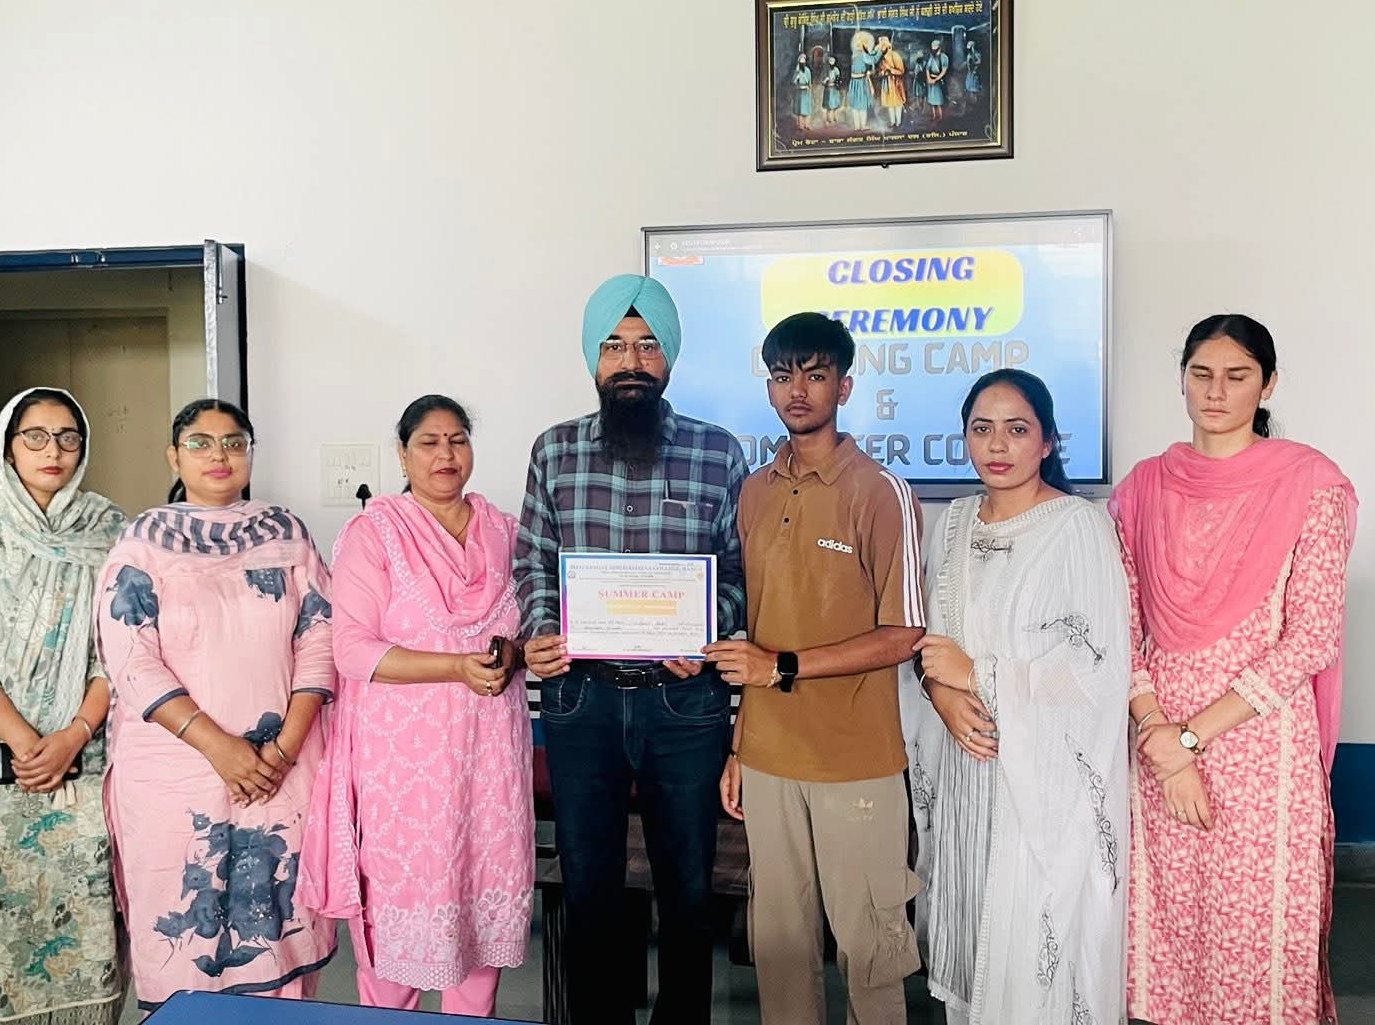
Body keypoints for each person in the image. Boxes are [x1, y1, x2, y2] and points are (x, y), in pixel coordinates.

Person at [1111, 314, 1357, 1025]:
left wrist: (1190, 740)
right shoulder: (1142, 487)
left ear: (1268, 385)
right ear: (1182, 380)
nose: (1216, 392)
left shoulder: (1310, 484)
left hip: (1258, 745)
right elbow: (1121, 625)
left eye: (1237, 375)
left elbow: (1311, 637)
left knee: (1257, 931)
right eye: (1202, 374)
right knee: (1169, 932)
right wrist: (1159, 733)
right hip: (1156, 739)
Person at [518, 274, 749, 1025]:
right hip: (580, 700)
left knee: (688, 890)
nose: (631, 361)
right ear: (594, 358)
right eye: (615, 346)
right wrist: (541, 631)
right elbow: (533, 561)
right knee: (589, 887)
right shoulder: (553, 451)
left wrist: (703, 636)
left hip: (684, 703)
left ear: (670, 357)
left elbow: (741, 572)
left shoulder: (719, 452)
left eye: (648, 346)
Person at [708, 313, 924, 1024]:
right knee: (779, 947)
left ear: (845, 386)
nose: (796, 390)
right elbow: (757, 631)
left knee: (870, 949)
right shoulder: (753, 491)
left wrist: (783, 667)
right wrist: (740, 747)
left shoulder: (880, 491)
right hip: (770, 759)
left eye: (815, 374)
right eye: (782, 376)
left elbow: (904, 633)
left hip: (855, 760)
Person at [900, 370, 1130, 1024]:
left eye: (1017, 429)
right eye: (982, 428)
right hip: (962, 774)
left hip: (1039, 789)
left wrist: (980, 675)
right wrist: (941, 694)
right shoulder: (951, 523)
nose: (997, 445)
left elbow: (1097, 671)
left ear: (1048, 441)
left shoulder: (1080, 528)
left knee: (1030, 950)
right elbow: (927, 644)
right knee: (974, 944)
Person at [298, 395, 533, 1016]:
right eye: (429, 442)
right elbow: (352, 650)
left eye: (458, 440)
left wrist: (514, 654)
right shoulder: (374, 534)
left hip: (489, 762)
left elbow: (534, 627)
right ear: (402, 454)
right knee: (396, 946)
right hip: (405, 773)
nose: (446, 454)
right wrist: (455, 668)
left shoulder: (506, 532)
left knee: (480, 930)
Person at [100, 399, 338, 1010]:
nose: (219, 455)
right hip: (177, 773)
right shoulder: (142, 543)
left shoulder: (286, 534)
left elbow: (321, 635)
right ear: (173, 456)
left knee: (276, 925)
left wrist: (283, 748)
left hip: (281, 769)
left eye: (234, 442)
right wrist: (220, 747)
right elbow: (130, 658)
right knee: (185, 926)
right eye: (200, 443)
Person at [0, 387, 126, 1025]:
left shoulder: (110, 527)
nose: (52, 450)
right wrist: (22, 740)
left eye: (68, 437)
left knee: (85, 908)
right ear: (8, 446)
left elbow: (119, 646)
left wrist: (73, 735)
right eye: (34, 436)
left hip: (84, 756)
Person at [848, 29, 884, 131]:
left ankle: (857, 126)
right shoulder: (862, 55)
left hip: (854, 82)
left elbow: (869, 54)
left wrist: (875, 50)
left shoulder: (855, 53)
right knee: (862, 104)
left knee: (855, 104)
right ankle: (862, 126)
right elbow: (872, 59)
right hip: (860, 82)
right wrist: (880, 51)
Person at [877, 37, 908, 129]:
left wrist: (890, 69)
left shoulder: (895, 56)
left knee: (897, 104)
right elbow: (879, 72)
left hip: (896, 84)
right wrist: (882, 73)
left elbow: (901, 71)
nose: (881, 48)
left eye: (883, 46)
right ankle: (892, 122)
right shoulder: (882, 59)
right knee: (890, 105)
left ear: (887, 46)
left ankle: (898, 123)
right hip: (887, 84)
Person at [923, 39, 950, 122]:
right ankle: (934, 116)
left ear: (939, 48)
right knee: (931, 100)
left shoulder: (944, 57)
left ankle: (941, 117)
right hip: (931, 82)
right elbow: (927, 68)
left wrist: (935, 79)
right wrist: (929, 78)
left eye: (935, 49)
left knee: (939, 101)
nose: (934, 51)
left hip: (939, 81)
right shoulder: (931, 57)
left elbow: (944, 71)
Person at [791, 52, 814, 131]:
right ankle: (801, 126)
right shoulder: (797, 71)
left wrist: (809, 88)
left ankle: (807, 125)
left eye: (803, 60)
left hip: (806, 92)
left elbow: (809, 81)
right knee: (800, 109)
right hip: (799, 92)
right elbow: (793, 82)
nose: (802, 62)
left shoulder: (807, 70)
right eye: (801, 60)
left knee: (806, 109)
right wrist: (797, 76)